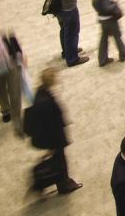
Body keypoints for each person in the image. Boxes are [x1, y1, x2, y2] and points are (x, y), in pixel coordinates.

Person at [23, 67, 83, 195]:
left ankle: (60, 183)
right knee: (60, 162)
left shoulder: (41, 92)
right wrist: (54, 146)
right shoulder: (47, 102)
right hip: (54, 139)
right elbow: (50, 125)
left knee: (59, 161)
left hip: (52, 137)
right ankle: (63, 185)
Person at [92, 0, 125, 67]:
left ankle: (102, 59)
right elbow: (106, 9)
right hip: (110, 20)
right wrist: (114, 3)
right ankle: (123, 54)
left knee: (103, 39)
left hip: (102, 20)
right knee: (117, 37)